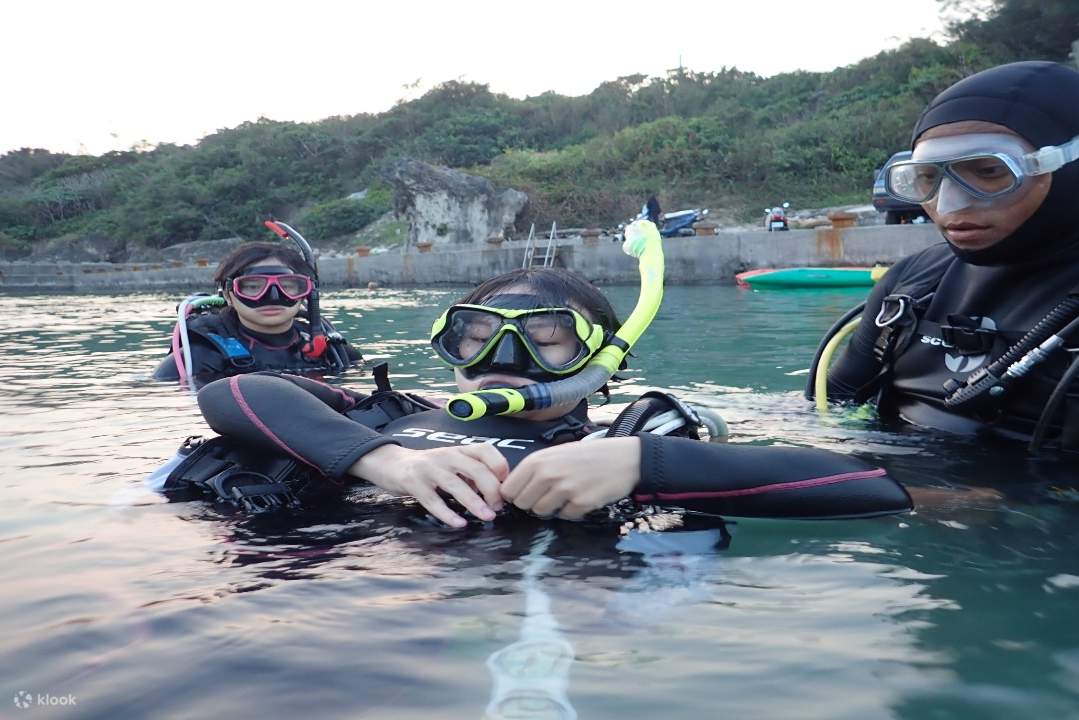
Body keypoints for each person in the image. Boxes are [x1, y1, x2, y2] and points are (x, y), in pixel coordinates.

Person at [182, 263, 911, 527]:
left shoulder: (629, 437)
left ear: (602, 359)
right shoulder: (392, 416)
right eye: (474, 333)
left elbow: (874, 490)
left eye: (547, 336)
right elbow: (237, 392)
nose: (502, 356)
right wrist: (387, 462)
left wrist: (643, 463)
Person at [817, 61, 1079, 453]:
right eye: (926, 178)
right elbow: (827, 408)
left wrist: (938, 501)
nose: (949, 206)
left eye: (990, 171)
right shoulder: (915, 281)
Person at [153, 242, 362, 385]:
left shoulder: (336, 354)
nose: (272, 296)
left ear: (307, 292)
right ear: (228, 294)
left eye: (288, 286)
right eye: (253, 287)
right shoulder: (199, 359)